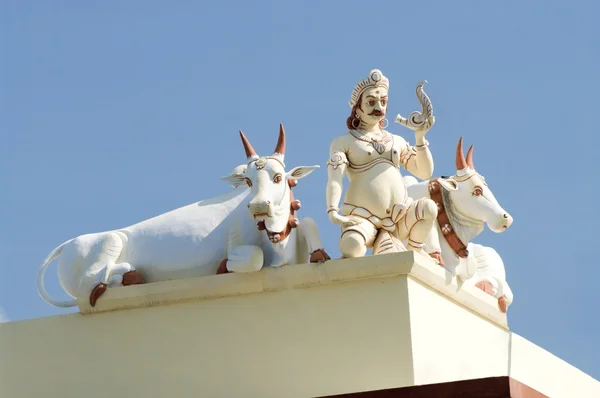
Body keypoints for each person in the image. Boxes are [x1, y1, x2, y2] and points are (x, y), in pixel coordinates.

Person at [325, 69, 440, 260]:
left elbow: (424, 172)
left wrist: (420, 138)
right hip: (362, 218)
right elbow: (335, 179)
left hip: (399, 217)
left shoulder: (396, 140)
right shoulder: (344, 142)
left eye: (383, 102)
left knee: (428, 208)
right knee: (351, 247)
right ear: (358, 108)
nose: (378, 106)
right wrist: (332, 209)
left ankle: (414, 250)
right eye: (371, 102)